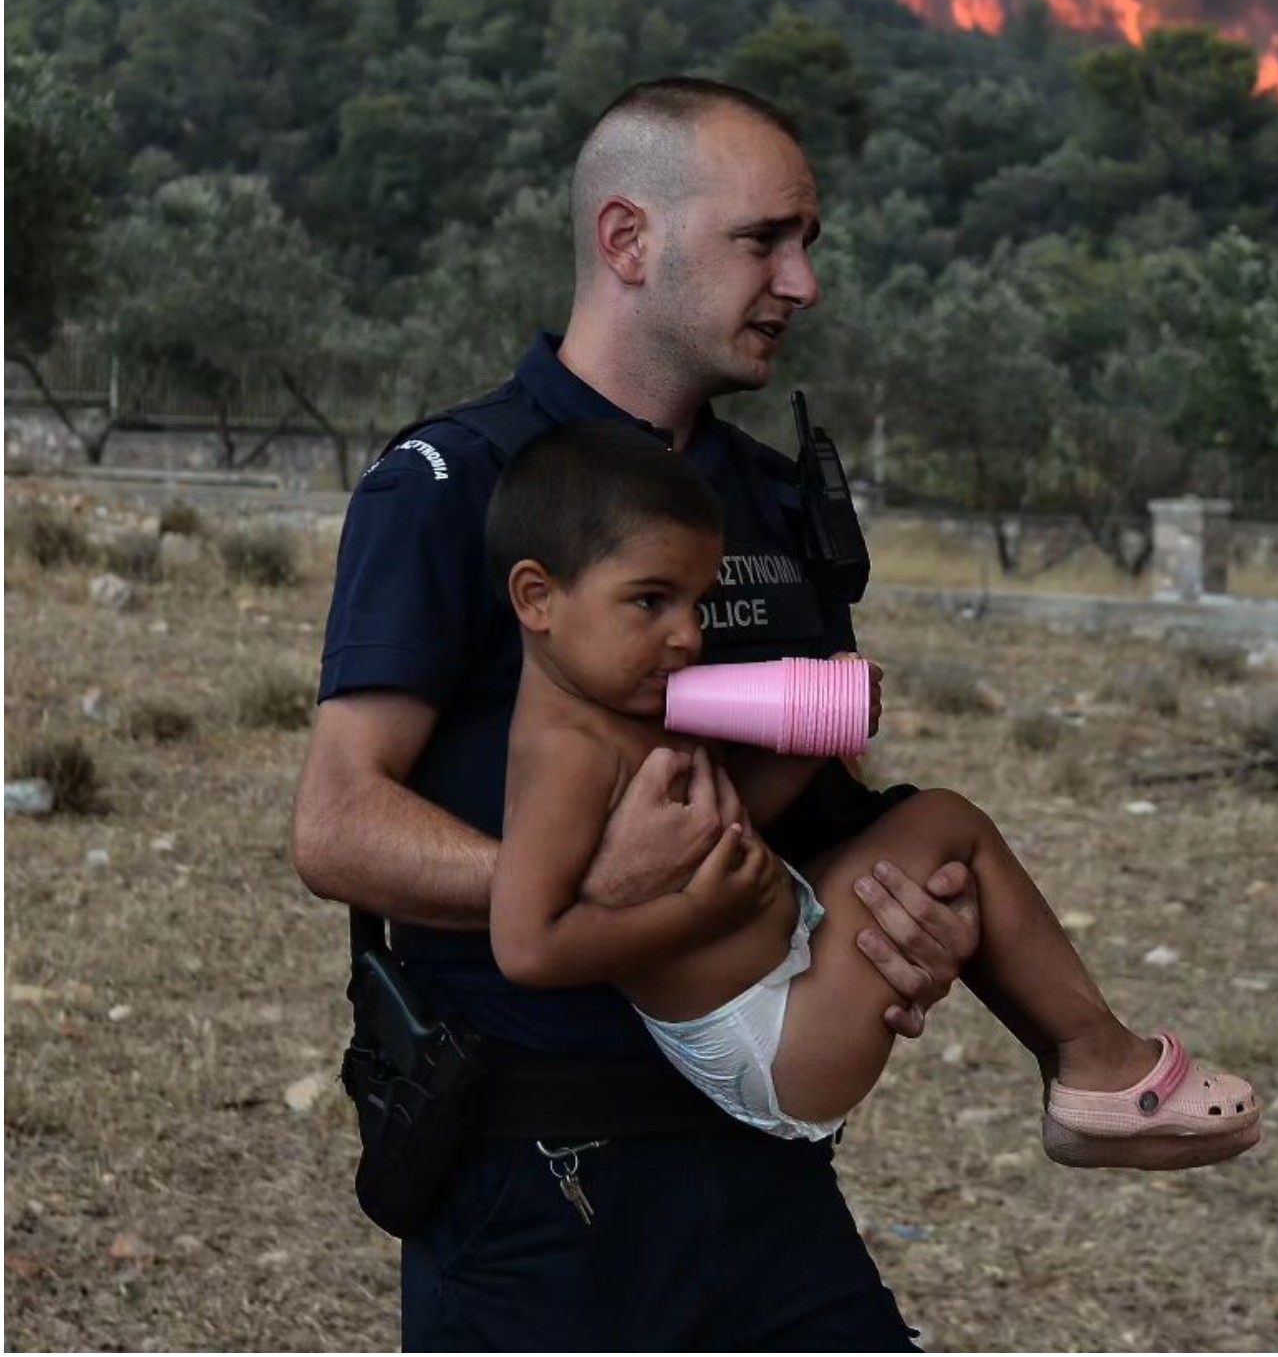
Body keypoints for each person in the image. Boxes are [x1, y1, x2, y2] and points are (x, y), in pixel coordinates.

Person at [292, 78, 980, 1349]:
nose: (803, 281)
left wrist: (896, 931)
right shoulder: (452, 484)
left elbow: (809, 816)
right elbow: (337, 827)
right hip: (535, 1183)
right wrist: (584, 886)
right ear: (627, 242)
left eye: (807, 243)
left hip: (765, 1166)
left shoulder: (772, 504)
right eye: (763, 240)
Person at [486, 419, 1263, 1162]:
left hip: (782, 972)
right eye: (651, 601)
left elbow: (720, 825)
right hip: (777, 1035)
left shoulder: (619, 704)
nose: (689, 634)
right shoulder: (567, 752)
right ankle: (1099, 1060)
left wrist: (815, 734)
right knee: (945, 821)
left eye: (696, 602)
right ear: (537, 598)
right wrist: (695, 911)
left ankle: (1083, 1073)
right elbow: (527, 944)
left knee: (932, 837)